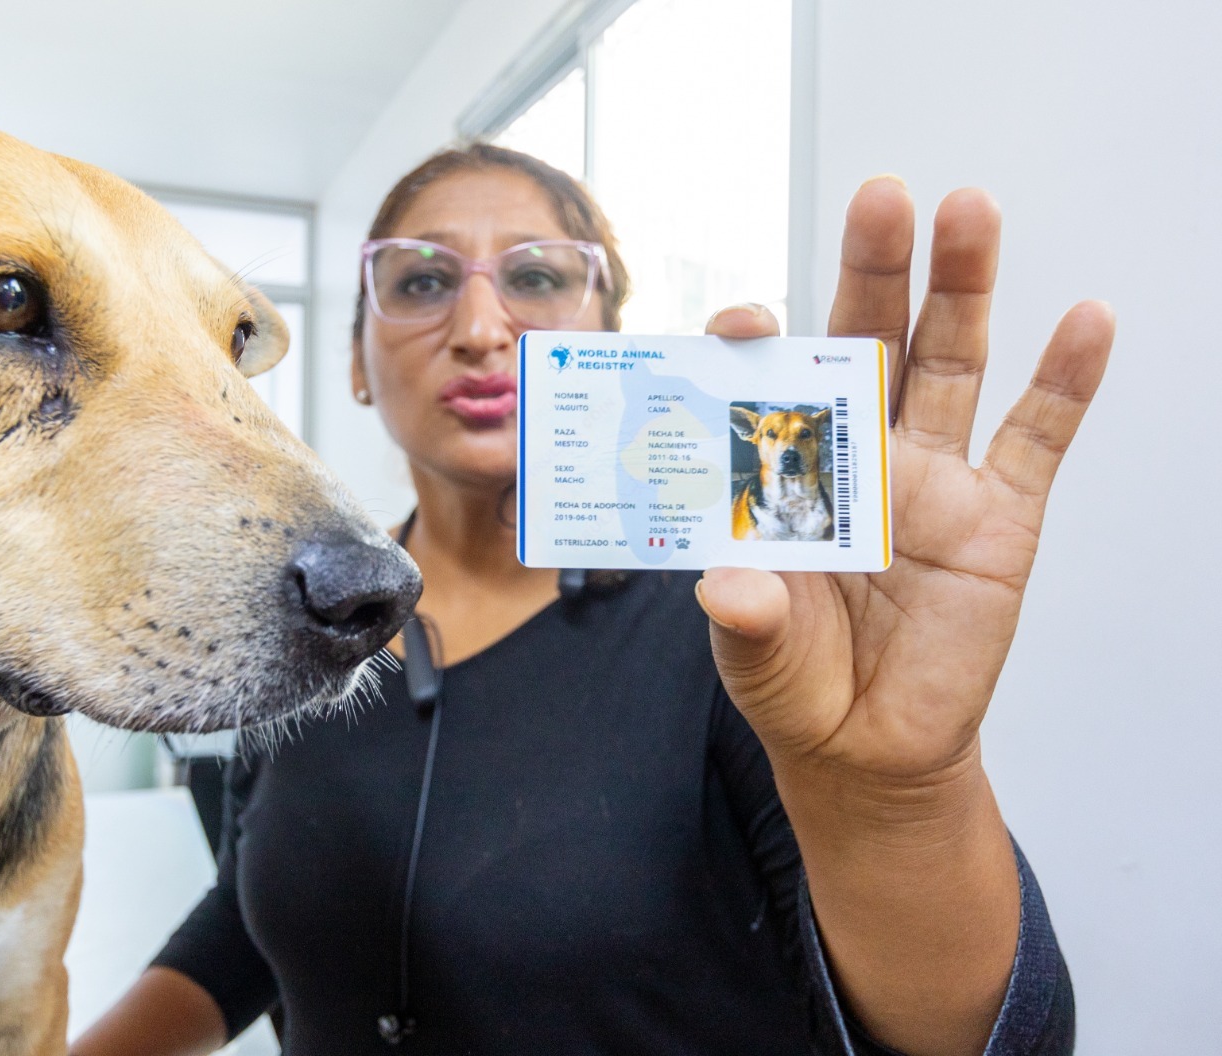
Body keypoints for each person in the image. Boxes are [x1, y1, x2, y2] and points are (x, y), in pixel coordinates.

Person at [72, 144, 1111, 1056]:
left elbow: (989, 1039)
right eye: (423, 282)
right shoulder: (310, 605)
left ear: (612, 342)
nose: (480, 326)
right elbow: (254, 912)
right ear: (354, 359)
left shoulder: (747, 623)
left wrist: (899, 802)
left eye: (535, 277)